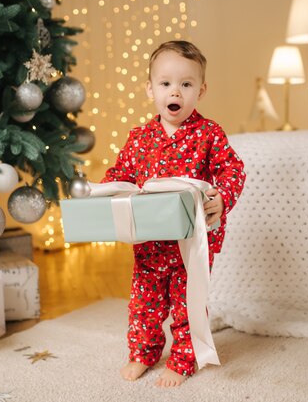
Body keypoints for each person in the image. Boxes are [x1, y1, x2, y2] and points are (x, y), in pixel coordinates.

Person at [102, 40, 245, 387]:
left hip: (190, 241)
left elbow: (232, 170)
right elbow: (120, 173)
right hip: (150, 240)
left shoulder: (209, 134)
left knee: (186, 303)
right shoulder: (140, 138)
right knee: (144, 302)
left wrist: (222, 197)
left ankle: (184, 358)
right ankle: (143, 353)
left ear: (201, 90)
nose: (175, 91)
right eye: (166, 83)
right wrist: (101, 192)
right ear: (151, 88)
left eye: (186, 83)